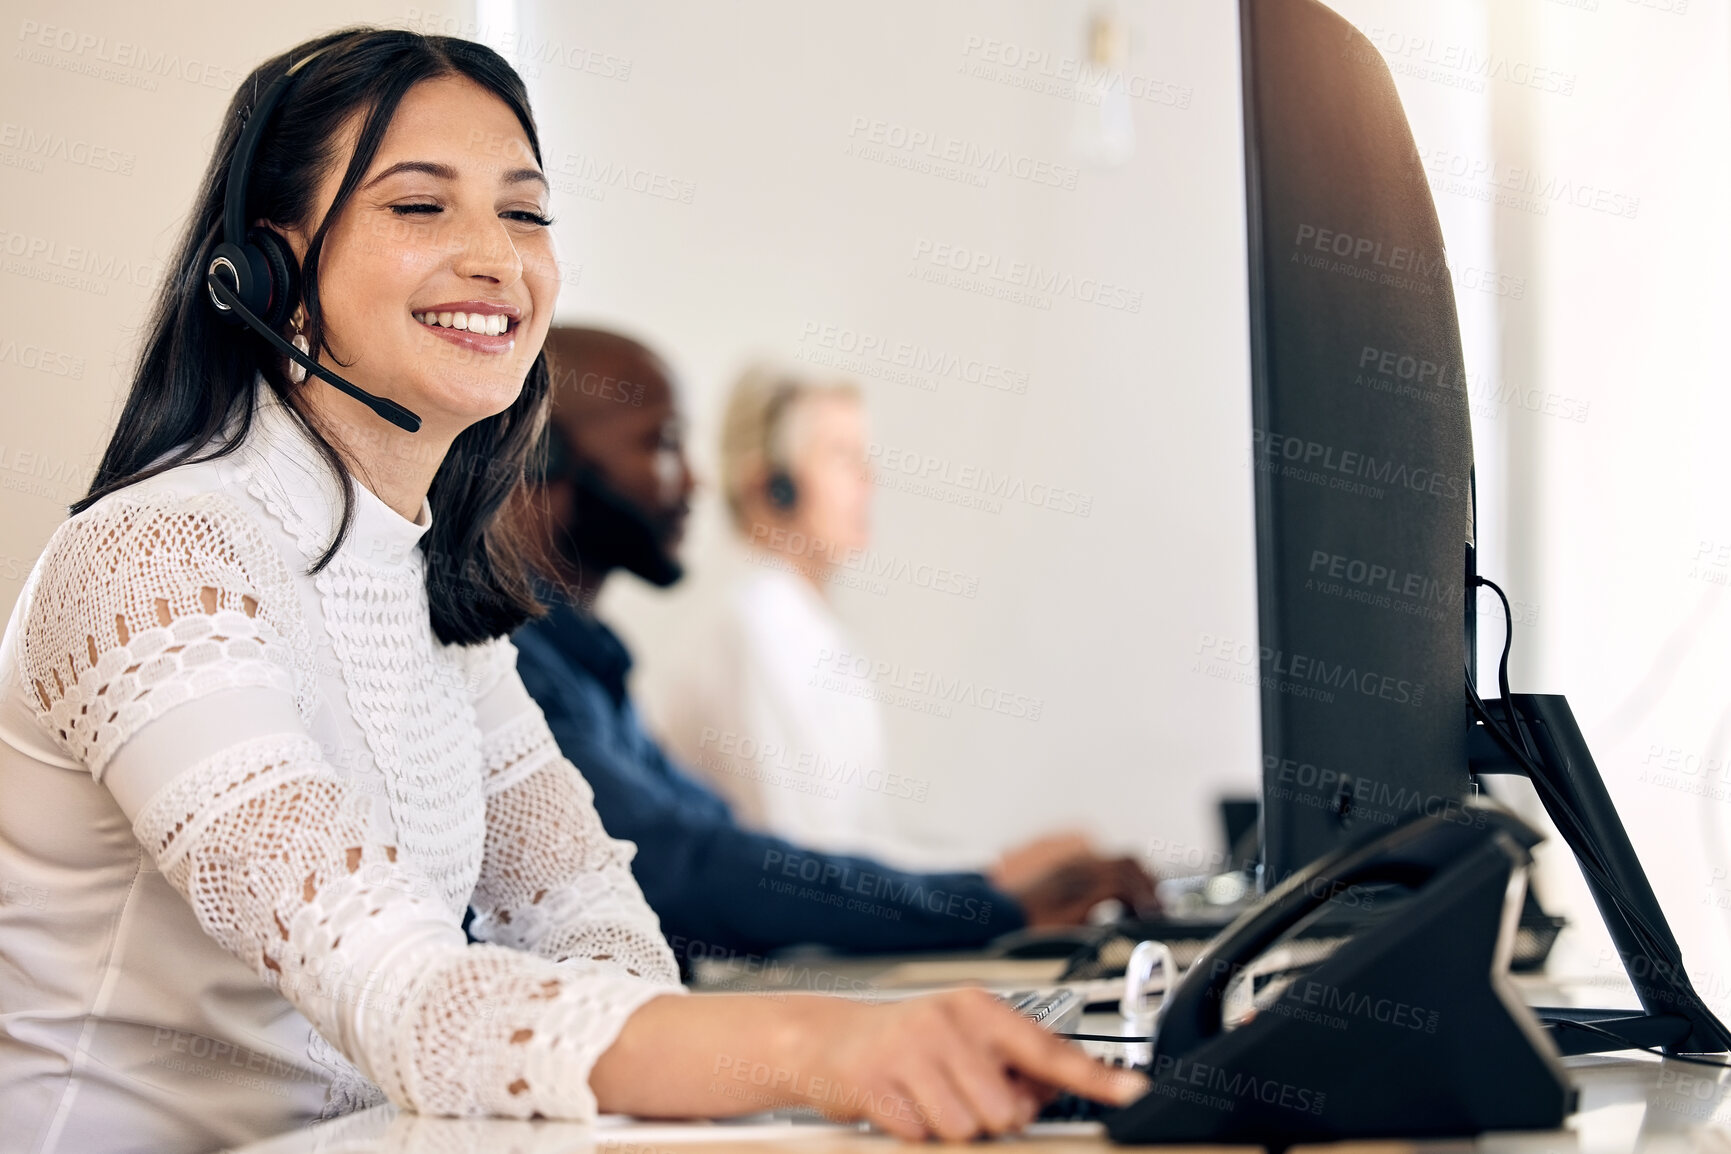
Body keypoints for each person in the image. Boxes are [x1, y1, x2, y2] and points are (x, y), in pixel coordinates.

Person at [0, 29, 1144, 1153]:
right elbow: (407, 996)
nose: (496, 255)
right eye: (418, 205)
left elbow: (597, 924)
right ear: (267, 268)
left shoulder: (434, 587)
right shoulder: (153, 560)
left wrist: (777, 1056)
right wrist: (818, 1048)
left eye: (525, 210)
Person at [511, 328, 1157, 966]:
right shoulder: (531, 664)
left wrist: (986, 888)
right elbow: (702, 868)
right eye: (664, 443)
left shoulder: (591, 662)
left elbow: (718, 838)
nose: (695, 484)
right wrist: (991, 894)